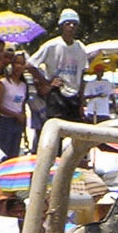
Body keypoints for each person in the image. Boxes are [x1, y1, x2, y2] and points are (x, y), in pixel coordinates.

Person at [30, 8, 89, 138]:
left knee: (75, 135)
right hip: (57, 95)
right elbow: (30, 64)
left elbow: (82, 75)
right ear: (62, 26)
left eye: (74, 24)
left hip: (74, 96)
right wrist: (46, 82)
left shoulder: (80, 48)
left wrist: (81, 101)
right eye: (68, 23)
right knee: (56, 133)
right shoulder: (52, 45)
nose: (71, 27)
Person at [0, 50, 29, 157]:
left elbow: (22, 106)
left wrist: (24, 129)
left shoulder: (23, 85)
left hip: (17, 124)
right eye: (17, 63)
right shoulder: (3, 83)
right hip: (5, 122)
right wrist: (15, 115)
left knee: (14, 155)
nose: (19, 66)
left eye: (22, 64)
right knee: (3, 154)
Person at [83, 57, 116, 123]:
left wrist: (115, 106)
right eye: (100, 71)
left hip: (104, 111)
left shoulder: (107, 83)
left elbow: (112, 95)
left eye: (102, 71)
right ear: (96, 72)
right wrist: (97, 95)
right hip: (92, 110)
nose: (101, 73)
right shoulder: (90, 84)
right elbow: (86, 96)